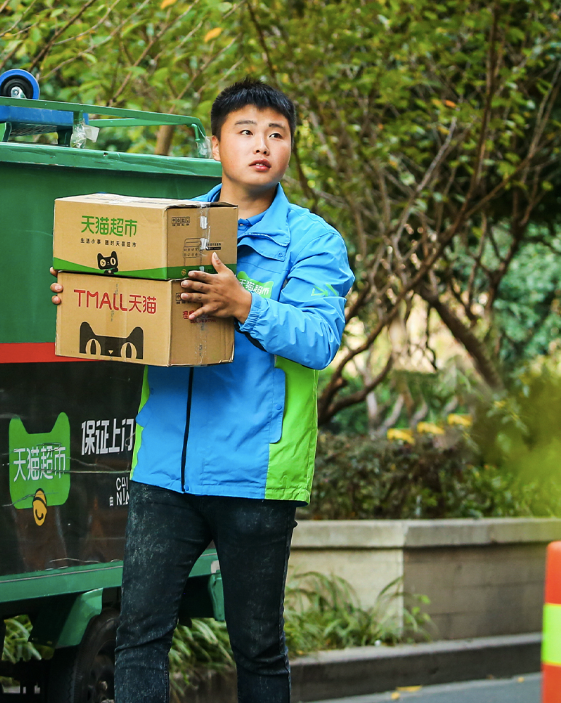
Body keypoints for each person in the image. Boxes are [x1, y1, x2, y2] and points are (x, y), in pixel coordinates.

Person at [50, 79, 354, 702]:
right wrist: (85, 296)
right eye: (245, 131)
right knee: (139, 634)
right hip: (165, 468)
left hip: (256, 471)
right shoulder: (172, 228)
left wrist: (245, 305)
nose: (261, 145)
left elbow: (320, 340)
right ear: (215, 144)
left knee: (257, 644)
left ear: (292, 146)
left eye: (277, 133)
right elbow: (127, 310)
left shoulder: (314, 243)